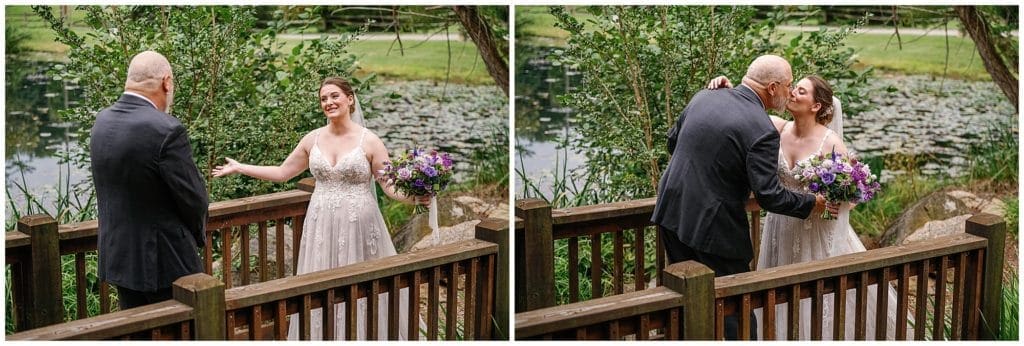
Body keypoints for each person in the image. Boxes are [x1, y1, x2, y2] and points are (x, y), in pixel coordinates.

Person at [211, 77, 427, 340]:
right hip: (321, 224)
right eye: (324, 99)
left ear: (350, 99)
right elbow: (282, 172)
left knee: (363, 283)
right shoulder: (312, 139)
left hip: (359, 224)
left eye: (334, 96)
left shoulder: (369, 142)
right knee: (320, 284)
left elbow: (388, 185)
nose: (329, 102)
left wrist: (416, 198)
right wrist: (241, 167)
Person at [708, 74, 907, 340]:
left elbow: (848, 196)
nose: (791, 93)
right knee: (776, 293)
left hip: (815, 233)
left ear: (816, 106)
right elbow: (745, 109)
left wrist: (825, 210)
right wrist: (726, 89)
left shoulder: (831, 142)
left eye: (801, 91)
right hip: (780, 227)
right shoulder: (777, 128)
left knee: (815, 294)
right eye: (794, 88)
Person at [651, 54, 834, 340]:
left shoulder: (705, 96)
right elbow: (769, 196)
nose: (788, 93)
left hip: (671, 210)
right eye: (787, 86)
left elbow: (673, 141)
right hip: (714, 227)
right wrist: (813, 203)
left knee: (684, 302)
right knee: (737, 312)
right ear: (772, 88)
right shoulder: (761, 127)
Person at [91, 51, 208, 310]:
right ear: (167, 82)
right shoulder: (167, 129)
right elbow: (194, 199)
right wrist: (197, 237)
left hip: (119, 259)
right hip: (166, 263)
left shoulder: (102, 121)